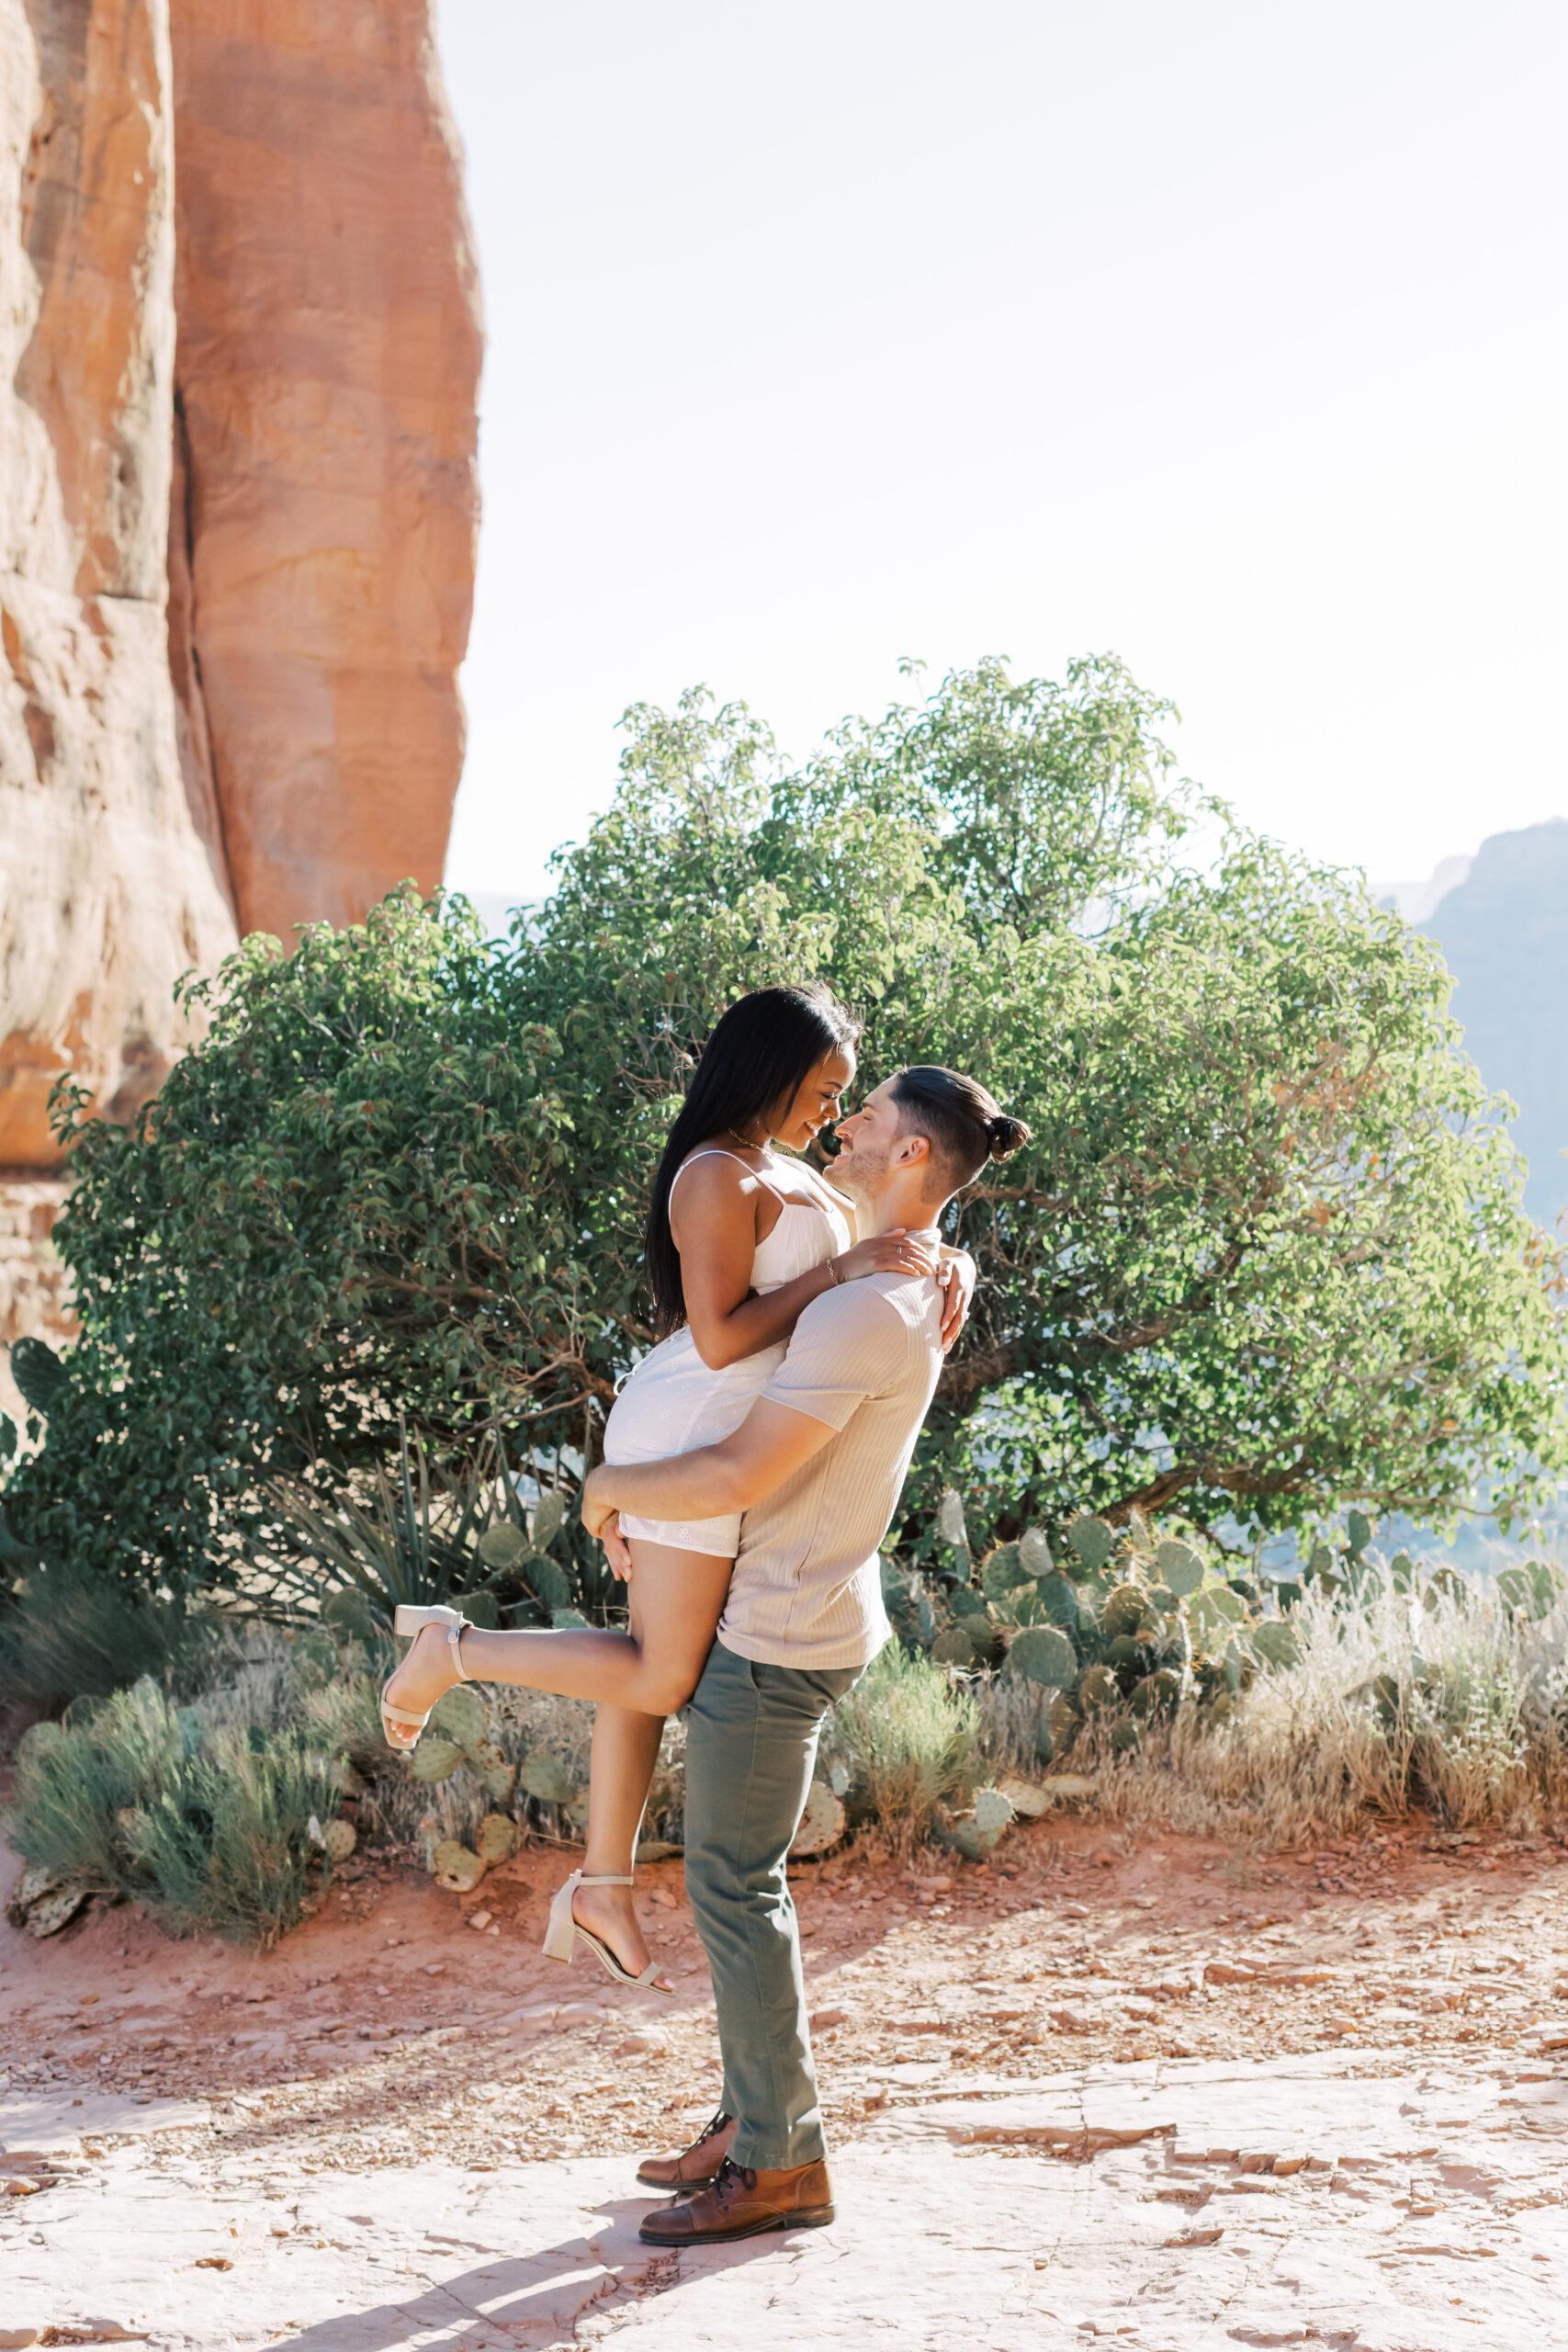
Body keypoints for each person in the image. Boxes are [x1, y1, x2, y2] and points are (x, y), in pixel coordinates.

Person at [378, 986, 976, 1992]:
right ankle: (455, 1649)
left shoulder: (782, 1168)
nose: (831, 1114)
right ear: (770, 1071)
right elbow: (722, 1335)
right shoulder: (712, 1177)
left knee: (645, 1662)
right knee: (660, 1672)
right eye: (822, 1091)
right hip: (696, 1419)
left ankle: (604, 1881)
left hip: (731, 1425)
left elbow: (879, 1227)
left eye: (844, 1098)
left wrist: (943, 1258)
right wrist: (847, 1274)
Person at [579, 1064, 1030, 2245]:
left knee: (735, 1884)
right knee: (740, 1881)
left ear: (914, 1158)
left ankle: (782, 2164)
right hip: (795, 1608)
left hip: (779, 1627)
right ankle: (751, 2118)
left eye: (869, 1117)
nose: (847, 1125)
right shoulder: (898, 1273)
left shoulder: (866, 1306)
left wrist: (613, 1486)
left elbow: (737, 1474)